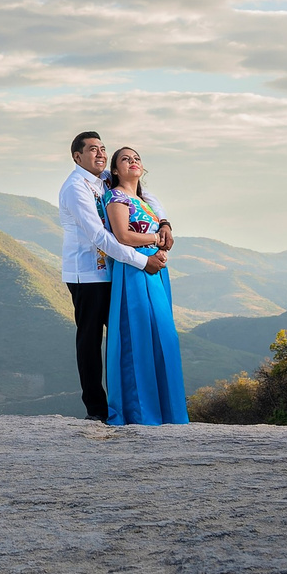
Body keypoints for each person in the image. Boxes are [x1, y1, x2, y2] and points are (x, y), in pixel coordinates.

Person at [59, 131, 161, 426]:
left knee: (124, 336)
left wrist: (163, 222)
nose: (100, 153)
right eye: (93, 149)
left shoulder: (104, 179)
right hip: (87, 274)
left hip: (114, 271)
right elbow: (100, 236)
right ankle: (96, 408)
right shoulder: (75, 188)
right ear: (77, 156)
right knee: (90, 340)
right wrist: (143, 261)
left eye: (103, 149)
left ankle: (131, 403)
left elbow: (142, 192)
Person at [98, 145, 190, 425]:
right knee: (138, 336)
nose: (133, 161)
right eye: (125, 159)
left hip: (155, 271)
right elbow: (123, 235)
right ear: (115, 169)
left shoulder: (145, 200)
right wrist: (155, 240)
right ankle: (139, 412)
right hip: (134, 272)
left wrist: (162, 236)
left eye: (136, 158)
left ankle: (168, 411)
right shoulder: (116, 197)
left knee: (163, 337)